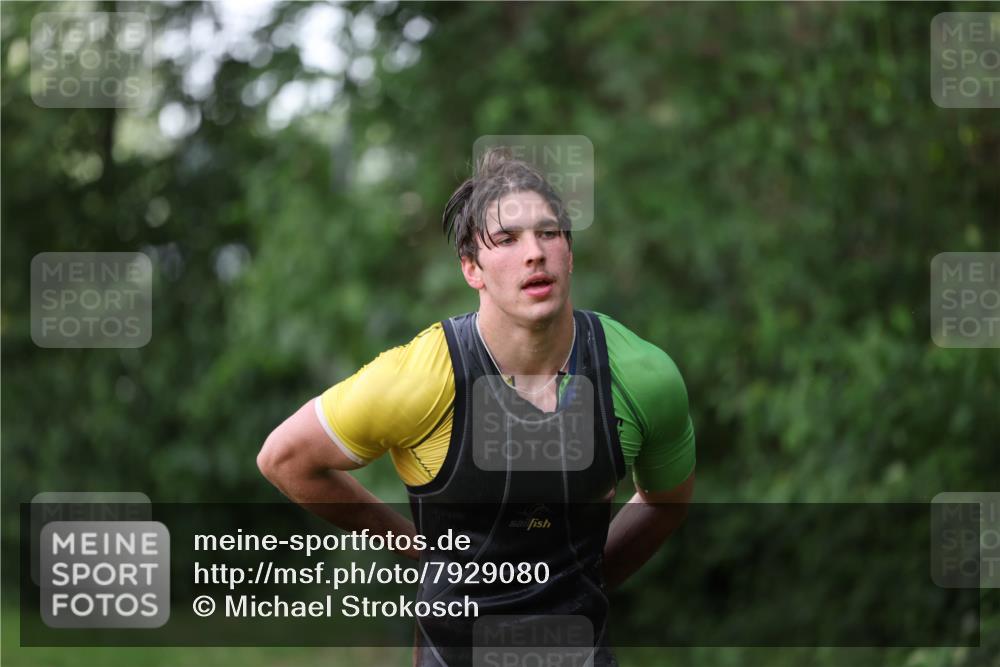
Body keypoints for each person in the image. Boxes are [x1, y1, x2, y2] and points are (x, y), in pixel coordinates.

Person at [257, 147, 696, 666]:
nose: (534, 252)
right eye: (507, 240)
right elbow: (285, 458)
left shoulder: (640, 375)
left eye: (548, 233)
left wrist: (585, 580)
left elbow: (666, 500)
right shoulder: (422, 377)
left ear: (569, 253)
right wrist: (415, 549)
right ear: (472, 268)